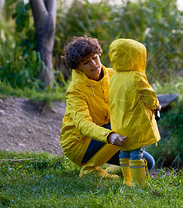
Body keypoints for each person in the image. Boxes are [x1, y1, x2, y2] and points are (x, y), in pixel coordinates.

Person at [60, 36, 155, 179]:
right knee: (122, 125)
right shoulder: (75, 90)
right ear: (78, 68)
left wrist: (151, 105)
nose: (93, 64)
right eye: (86, 62)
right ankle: (89, 170)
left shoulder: (114, 74)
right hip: (79, 144)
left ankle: (108, 169)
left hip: (110, 133)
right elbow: (83, 124)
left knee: (148, 163)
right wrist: (109, 136)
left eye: (95, 58)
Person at [109, 38, 161, 187]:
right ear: (137, 57)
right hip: (136, 124)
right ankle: (139, 184)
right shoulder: (137, 77)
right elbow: (149, 96)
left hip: (120, 124)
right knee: (136, 153)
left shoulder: (114, 77)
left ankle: (128, 181)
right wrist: (156, 106)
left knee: (124, 153)